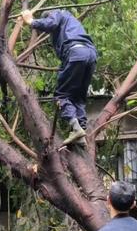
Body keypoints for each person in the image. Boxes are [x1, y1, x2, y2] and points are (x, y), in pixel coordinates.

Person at [20, 9, 97, 146]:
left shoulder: (58, 14)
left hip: (76, 53)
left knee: (61, 96)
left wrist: (31, 21)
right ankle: (81, 132)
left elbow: (51, 23)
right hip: (91, 56)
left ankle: (75, 127)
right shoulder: (72, 23)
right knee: (78, 97)